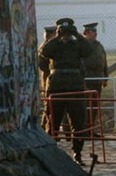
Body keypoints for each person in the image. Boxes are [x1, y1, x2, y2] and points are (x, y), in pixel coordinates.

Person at [39, 18, 94, 166]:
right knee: (52, 121)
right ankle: (51, 153)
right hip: (56, 86)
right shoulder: (54, 45)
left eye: (67, 32)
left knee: (78, 122)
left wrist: (77, 35)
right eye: (64, 32)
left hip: (74, 86)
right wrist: (57, 37)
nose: (66, 35)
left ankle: (77, 152)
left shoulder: (77, 45)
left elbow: (89, 51)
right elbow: (44, 51)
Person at [82, 22, 108, 131]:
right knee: (86, 106)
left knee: (94, 106)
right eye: (93, 31)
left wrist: (105, 77)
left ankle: (91, 129)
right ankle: (85, 129)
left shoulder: (99, 45)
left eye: (96, 31)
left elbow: (104, 62)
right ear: (86, 33)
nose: (96, 33)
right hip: (87, 79)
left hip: (98, 79)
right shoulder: (82, 45)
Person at [38, 25, 57, 133]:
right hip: (48, 79)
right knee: (49, 104)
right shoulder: (45, 47)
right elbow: (42, 65)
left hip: (53, 78)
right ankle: (44, 125)